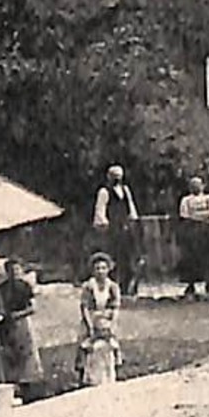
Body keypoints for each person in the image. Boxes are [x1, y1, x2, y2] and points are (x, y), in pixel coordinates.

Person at [0, 259, 43, 401]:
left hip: (22, 322)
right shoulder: (1, 289)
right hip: (7, 324)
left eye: (16, 270)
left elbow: (33, 307)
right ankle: (13, 388)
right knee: (10, 354)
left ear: (21, 270)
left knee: (27, 353)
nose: (14, 273)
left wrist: (19, 314)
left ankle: (29, 388)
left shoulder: (25, 286)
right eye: (10, 270)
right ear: (6, 272)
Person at [92, 164, 141, 295]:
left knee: (128, 256)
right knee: (113, 256)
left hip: (125, 226)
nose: (117, 179)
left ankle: (126, 287)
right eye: (114, 177)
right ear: (109, 177)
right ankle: (111, 287)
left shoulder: (125, 190)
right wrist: (102, 222)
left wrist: (133, 219)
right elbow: (100, 208)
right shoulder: (104, 191)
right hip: (113, 227)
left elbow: (130, 206)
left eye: (119, 177)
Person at [77, 252, 122, 386]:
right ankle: (86, 376)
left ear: (108, 269)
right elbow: (85, 307)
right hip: (91, 317)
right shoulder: (88, 286)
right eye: (97, 268)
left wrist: (112, 324)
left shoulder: (112, 286)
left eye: (103, 268)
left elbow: (115, 307)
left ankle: (110, 374)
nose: (101, 271)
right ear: (93, 270)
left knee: (110, 343)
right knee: (86, 344)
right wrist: (90, 325)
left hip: (106, 319)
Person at [175, 177, 209, 299]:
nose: (196, 187)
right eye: (193, 185)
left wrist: (198, 216)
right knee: (191, 258)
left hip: (207, 230)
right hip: (192, 230)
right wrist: (200, 216)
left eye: (198, 184)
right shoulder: (186, 200)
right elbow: (184, 214)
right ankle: (191, 285)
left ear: (203, 186)